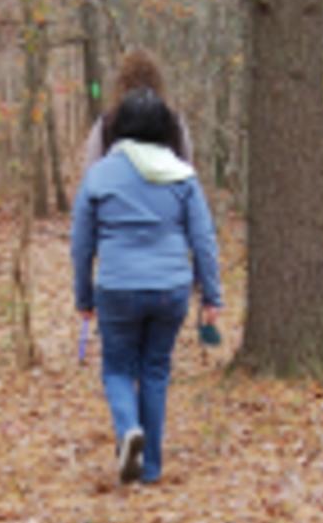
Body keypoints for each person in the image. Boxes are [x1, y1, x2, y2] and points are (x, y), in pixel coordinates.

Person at [71, 87, 222, 485]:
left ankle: (128, 433)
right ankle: (150, 468)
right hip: (170, 287)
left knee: (118, 368)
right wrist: (212, 296)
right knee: (155, 371)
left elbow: (81, 243)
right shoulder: (183, 176)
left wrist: (83, 297)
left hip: (117, 286)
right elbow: (203, 240)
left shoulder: (99, 175)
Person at [81, 48, 195, 172]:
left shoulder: (106, 125)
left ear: (122, 83)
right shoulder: (175, 124)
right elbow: (186, 169)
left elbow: (91, 172)